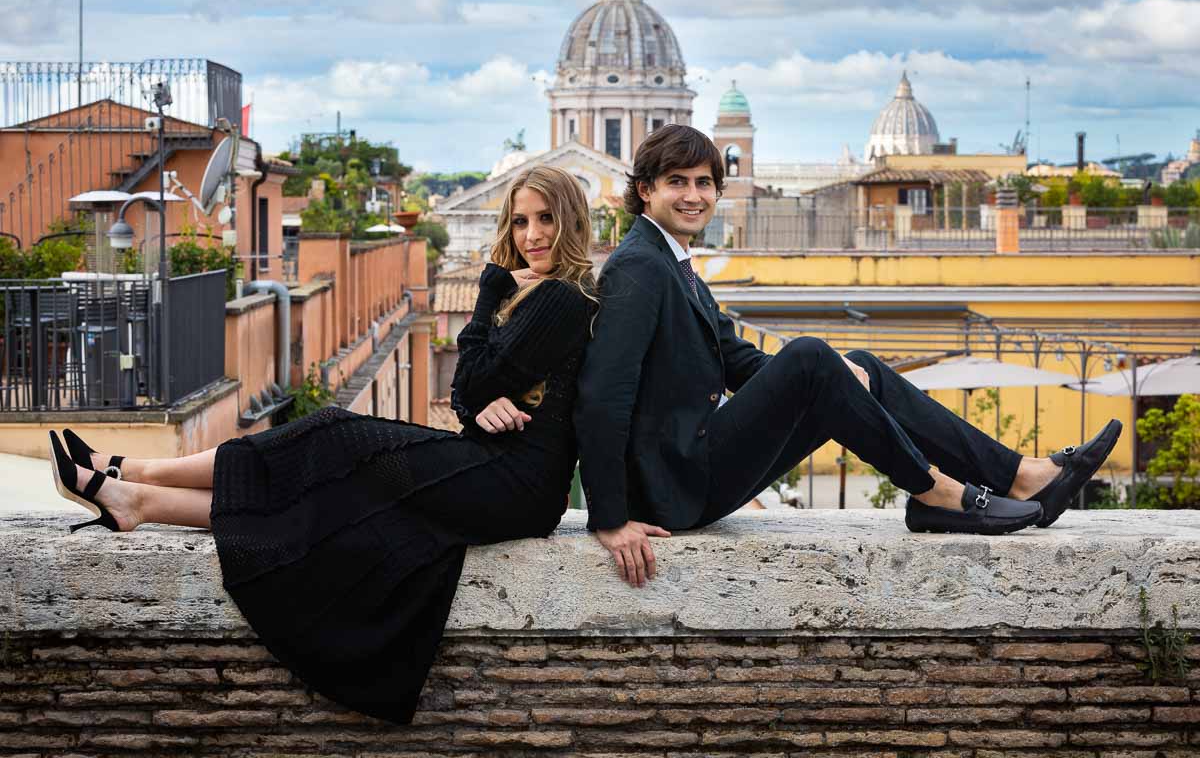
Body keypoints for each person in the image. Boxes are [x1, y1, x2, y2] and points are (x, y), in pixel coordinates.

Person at [46, 165, 598, 724]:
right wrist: (478, 403)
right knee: (331, 495)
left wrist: (486, 301)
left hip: (513, 483)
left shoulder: (561, 298)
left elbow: (471, 379)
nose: (533, 235)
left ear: (572, 220)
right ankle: (136, 499)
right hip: (495, 467)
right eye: (522, 221)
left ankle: (130, 468)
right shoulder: (535, 293)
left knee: (334, 432)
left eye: (547, 219)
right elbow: (467, 393)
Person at [574, 125, 1122, 588]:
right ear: (645, 190)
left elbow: (738, 359)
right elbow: (603, 395)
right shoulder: (640, 266)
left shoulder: (670, 260)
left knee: (854, 363)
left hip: (689, 469)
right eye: (677, 183)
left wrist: (832, 379)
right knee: (816, 355)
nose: (694, 195)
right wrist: (611, 518)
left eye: (704, 184)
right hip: (673, 486)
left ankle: (1021, 477)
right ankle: (935, 491)